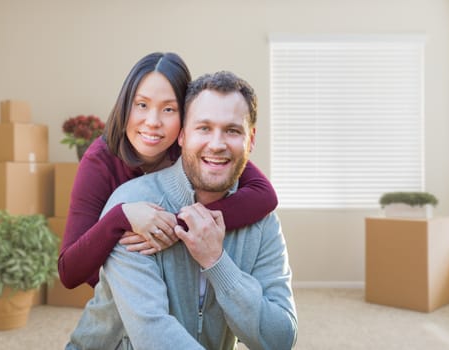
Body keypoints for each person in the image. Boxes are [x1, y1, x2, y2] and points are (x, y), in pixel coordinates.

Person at [67, 71, 298, 350]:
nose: (217, 144)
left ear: (250, 140)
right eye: (204, 128)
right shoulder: (134, 206)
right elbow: (153, 333)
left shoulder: (263, 223)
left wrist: (216, 261)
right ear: (182, 136)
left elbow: (281, 339)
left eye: (232, 130)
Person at [58, 52, 278, 289]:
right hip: (121, 288)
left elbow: (264, 195)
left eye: (169, 109)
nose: (153, 121)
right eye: (141, 105)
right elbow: (69, 272)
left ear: (185, 119)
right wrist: (122, 217)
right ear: (125, 106)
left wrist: (172, 225)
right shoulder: (100, 160)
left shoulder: (194, 149)